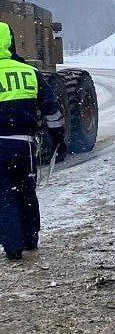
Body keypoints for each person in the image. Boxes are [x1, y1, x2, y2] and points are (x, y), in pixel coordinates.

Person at [0, 22, 65, 261]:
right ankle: (30, 238)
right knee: (26, 191)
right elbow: (51, 109)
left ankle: (12, 245)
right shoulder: (29, 72)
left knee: (4, 194)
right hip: (25, 145)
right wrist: (58, 137)